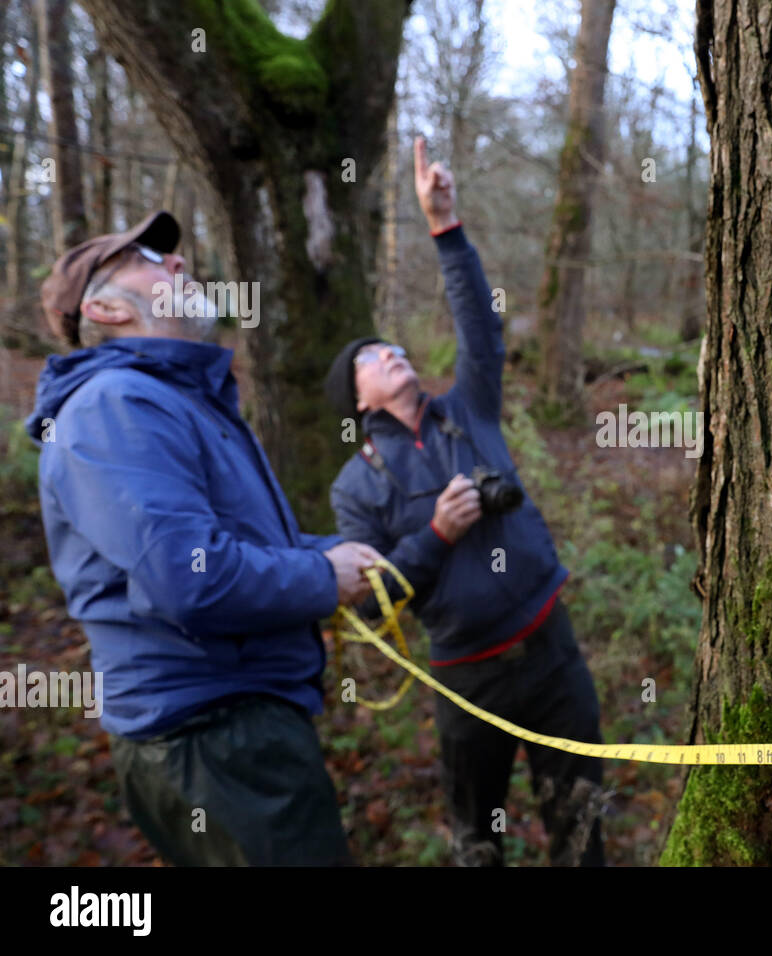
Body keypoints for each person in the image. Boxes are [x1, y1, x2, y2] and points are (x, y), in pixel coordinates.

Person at [25, 211, 382, 865]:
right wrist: (324, 579)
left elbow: (225, 545)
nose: (178, 262)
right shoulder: (116, 406)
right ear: (103, 307)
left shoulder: (174, 400)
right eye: (148, 260)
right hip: (213, 738)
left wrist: (331, 555)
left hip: (230, 734)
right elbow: (193, 579)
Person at [325, 137, 606, 866]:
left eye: (395, 346)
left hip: (552, 652)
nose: (393, 353)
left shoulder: (468, 409)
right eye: (373, 358)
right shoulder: (356, 487)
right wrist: (440, 534)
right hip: (467, 681)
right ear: (357, 400)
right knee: (477, 846)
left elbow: (481, 329)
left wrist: (444, 225)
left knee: (581, 834)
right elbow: (368, 600)